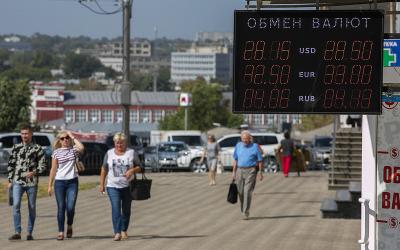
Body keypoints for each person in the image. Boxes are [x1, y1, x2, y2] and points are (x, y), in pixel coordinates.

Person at [99, 132, 142, 241]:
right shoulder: (109, 153)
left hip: (128, 187)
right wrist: (101, 184)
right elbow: (104, 169)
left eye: (121, 143)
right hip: (112, 186)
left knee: (126, 210)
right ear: (114, 143)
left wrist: (132, 170)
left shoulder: (131, 153)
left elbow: (140, 167)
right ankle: (117, 232)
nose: (119, 145)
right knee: (116, 208)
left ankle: (124, 230)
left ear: (125, 143)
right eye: (117, 143)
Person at [7, 124, 47, 241]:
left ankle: (29, 232)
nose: (24, 135)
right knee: (16, 204)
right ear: (21, 134)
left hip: (31, 183)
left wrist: (34, 172)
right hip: (18, 181)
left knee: (32, 207)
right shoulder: (16, 147)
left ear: (31, 134)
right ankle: (17, 232)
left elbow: (43, 165)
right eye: (22, 133)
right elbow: (11, 164)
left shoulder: (37, 148)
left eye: (26, 133)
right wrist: (10, 180)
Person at [48, 131, 84, 240]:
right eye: (62, 138)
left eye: (67, 138)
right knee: (61, 207)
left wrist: (73, 136)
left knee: (70, 207)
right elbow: (53, 169)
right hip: (59, 182)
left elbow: (81, 147)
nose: (65, 140)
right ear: (59, 140)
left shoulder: (74, 150)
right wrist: (50, 185)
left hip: (72, 182)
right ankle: (60, 231)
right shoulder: (56, 152)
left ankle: (69, 225)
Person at [232, 130, 263, 220]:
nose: (245, 140)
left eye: (246, 139)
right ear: (241, 139)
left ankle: (246, 211)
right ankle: (243, 209)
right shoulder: (238, 146)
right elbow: (235, 159)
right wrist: (233, 172)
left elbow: (260, 160)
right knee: (240, 191)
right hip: (240, 170)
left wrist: (260, 172)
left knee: (247, 191)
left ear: (250, 139)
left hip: (251, 170)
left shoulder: (255, 146)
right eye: (243, 139)